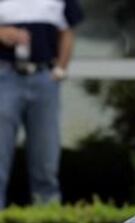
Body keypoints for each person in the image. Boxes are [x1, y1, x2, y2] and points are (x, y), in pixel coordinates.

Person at [0, 0, 84, 209]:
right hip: (5, 77)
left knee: (46, 160)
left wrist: (60, 71)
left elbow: (68, 31)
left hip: (44, 79)